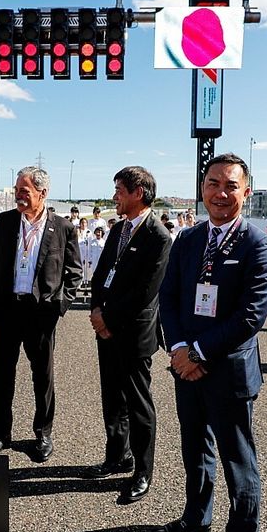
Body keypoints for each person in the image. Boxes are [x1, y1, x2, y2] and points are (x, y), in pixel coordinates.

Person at [153, 153, 267, 532]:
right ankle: (196, 516)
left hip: (228, 372)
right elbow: (168, 298)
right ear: (202, 188)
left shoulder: (257, 245)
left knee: (238, 462)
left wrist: (199, 352)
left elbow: (250, 315)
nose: (220, 193)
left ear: (247, 191)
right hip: (186, 368)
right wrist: (177, 349)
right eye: (212, 184)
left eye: (230, 185)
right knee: (194, 450)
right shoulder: (188, 239)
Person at [0, 166, 82, 462]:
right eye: (16, 191)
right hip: (6, 312)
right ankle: (1, 435)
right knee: (2, 377)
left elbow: (74, 273)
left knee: (43, 378)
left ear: (43, 193)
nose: (18, 197)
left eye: (24, 192)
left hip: (41, 315)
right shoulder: (4, 222)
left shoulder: (62, 228)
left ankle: (43, 433)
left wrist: (59, 306)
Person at [85, 166, 172, 505]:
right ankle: (116, 455)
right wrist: (95, 309)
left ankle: (142, 471)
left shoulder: (158, 236)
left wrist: (107, 318)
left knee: (138, 404)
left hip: (132, 333)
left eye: (119, 190)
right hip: (105, 328)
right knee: (112, 398)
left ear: (138, 192)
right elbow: (101, 273)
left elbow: (144, 292)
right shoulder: (119, 229)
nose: (115, 196)